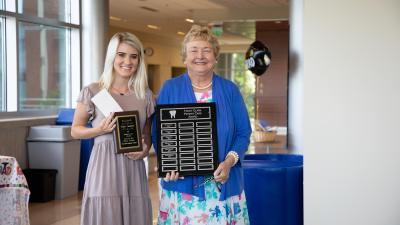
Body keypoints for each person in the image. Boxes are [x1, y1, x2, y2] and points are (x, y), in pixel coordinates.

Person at [152, 25, 252, 225]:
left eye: (206, 50)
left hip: (223, 186)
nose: (200, 55)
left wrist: (229, 162)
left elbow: (243, 133)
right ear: (184, 56)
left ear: (215, 57)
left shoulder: (230, 90)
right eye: (194, 50)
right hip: (183, 190)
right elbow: (159, 132)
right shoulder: (170, 88)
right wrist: (169, 164)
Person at [71, 32, 154, 225]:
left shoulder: (145, 95)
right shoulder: (93, 91)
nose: (128, 61)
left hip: (133, 167)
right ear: (112, 57)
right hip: (103, 166)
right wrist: (98, 130)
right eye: (121, 54)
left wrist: (144, 149)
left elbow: (146, 135)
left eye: (134, 56)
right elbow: (75, 130)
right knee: (106, 216)